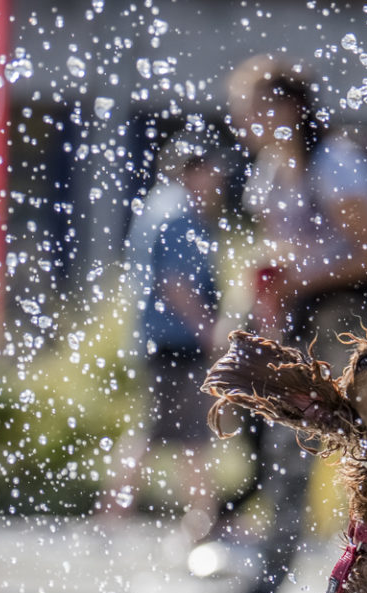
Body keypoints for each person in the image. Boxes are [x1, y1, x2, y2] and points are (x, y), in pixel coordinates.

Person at [212, 57, 367, 593]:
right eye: (241, 111)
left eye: (254, 109)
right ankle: (270, 581)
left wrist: (302, 279)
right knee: (288, 447)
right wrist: (247, 309)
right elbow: (279, 254)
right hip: (308, 318)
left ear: (291, 109)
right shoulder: (270, 173)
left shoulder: (335, 165)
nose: (244, 122)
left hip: (356, 323)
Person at [110, 145, 223, 541]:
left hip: (163, 339)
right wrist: (210, 331)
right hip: (179, 340)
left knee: (168, 430)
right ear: (194, 170)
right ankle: (197, 519)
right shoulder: (179, 216)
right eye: (212, 170)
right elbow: (176, 284)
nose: (218, 180)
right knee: (184, 433)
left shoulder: (160, 206)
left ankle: (194, 515)